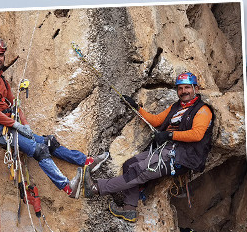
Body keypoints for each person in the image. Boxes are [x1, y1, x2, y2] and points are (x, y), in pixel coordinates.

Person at [69, 71, 215, 222]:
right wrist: (136, 108)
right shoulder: (177, 107)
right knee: (129, 164)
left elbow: (197, 134)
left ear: (195, 89)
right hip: (166, 150)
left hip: (181, 156)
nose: (183, 91)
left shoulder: (203, 110)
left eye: (187, 88)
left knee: (139, 172)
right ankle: (129, 209)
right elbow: (157, 120)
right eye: (180, 88)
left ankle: (95, 188)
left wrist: (169, 135)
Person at [0, 36, 106, 194]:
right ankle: (68, 188)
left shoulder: (1, 80)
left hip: (8, 124)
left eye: (1, 55)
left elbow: (15, 104)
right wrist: (17, 125)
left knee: (49, 143)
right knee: (39, 150)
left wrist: (25, 123)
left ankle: (86, 161)